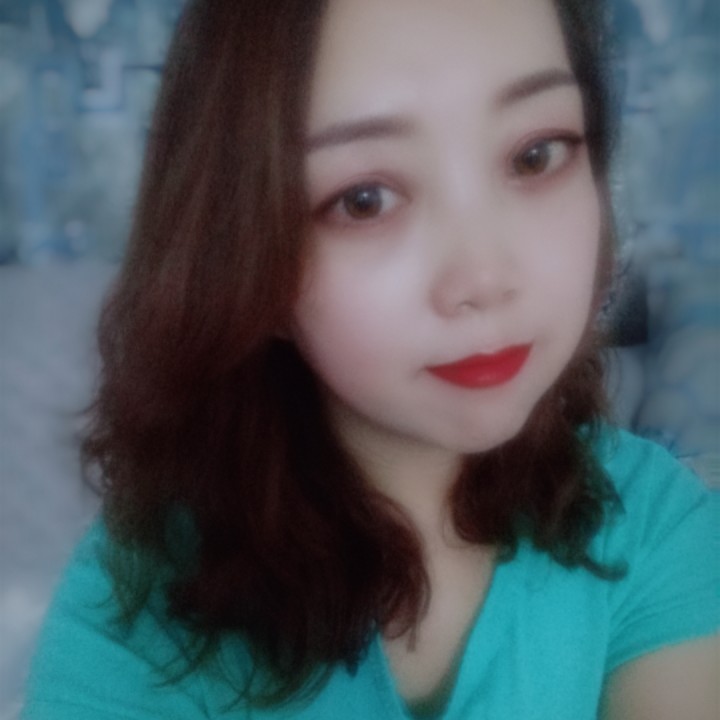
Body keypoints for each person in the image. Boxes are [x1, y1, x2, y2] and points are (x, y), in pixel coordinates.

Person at [21, 0, 718, 718]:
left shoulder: (654, 522)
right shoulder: (136, 618)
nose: (483, 278)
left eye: (534, 155)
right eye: (364, 200)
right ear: (244, 253)